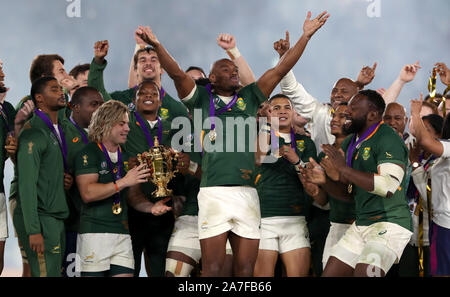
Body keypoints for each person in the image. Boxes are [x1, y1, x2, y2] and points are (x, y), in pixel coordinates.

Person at [136, 10, 330, 276]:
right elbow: (177, 74)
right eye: (226, 68)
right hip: (213, 194)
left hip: (247, 194)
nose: (234, 71)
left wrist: (305, 36)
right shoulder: (202, 100)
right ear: (212, 79)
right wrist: (157, 46)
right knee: (214, 269)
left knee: (245, 270)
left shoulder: (249, 97)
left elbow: (280, 69)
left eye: (235, 68)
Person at [303, 90, 413, 277]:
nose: (347, 113)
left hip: (389, 224)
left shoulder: (388, 138)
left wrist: (343, 169)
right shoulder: (350, 143)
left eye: (353, 109)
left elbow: (388, 187)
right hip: (361, 224)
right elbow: (348, 193)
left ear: (372, 115)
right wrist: (324, 182)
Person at [74, 100, 171, 277]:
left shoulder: (126, 158)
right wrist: (123, 182)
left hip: (122, 235)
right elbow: (87, 193)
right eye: (121, 124)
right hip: (94, 235)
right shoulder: (88, 153)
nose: (127, 128)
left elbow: (133, 197)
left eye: (127, 123)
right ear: (105, 124)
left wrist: (151, 208)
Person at [120, 80, 187, 277]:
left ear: (160, 102)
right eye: (143, 93)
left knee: (159, 267)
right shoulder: (126, 124)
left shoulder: (170, 127)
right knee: (128, 266)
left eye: (154, 94)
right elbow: (112, 149)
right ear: (135, 99)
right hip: (131, 208)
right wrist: (126, 163)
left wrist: (179, 192)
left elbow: (178, 164)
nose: (148, 96)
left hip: (162, 206)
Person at [13, 77, 73, 277]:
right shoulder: (33, 133)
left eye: (61, 88)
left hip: (55, 217)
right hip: (41, 220)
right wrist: (33, 230)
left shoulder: (56, 130)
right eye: (54, 89)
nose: (61, 92)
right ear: (39, 98)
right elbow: (27, 185)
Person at [253, 94, 316, 277]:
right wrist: (268, 124)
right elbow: (257, 157)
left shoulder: (306, 143)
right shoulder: (261, 137)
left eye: (286, 107)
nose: (282, 111)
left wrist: (297, 161)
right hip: (264, 219)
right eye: (276, 108)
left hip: (295, 219)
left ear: (293, 112)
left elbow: (312, 180)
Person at [301, 103, 356, 272]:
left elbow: (360, 190)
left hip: (358, 226)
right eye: (334, 115)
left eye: (342, 116)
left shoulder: (359, 150)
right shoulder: (323, 154)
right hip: (335, 224)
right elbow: (324, 200)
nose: (335, 119)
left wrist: (337, 176)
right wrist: (314, 190)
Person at [87, 37, 189, 122]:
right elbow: (96, 94)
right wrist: (98, 61)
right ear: (135, 69)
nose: (148, 63)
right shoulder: (120, 100)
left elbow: (186, 144)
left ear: (162, 69)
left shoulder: (177, 110)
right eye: (143, 60)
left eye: (153, 59)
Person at [60, 86, 104, 276]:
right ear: (76, 107)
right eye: (94, 104)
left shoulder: (106, 134)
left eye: (101, 105)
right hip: (73, 224)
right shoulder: (62, 132)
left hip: (101, 224)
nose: (99, 109)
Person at [410, 95, 450, 277]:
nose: (421, 134)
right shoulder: (441, 155)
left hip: (445, 225)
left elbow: (426, 141)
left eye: (427, 130)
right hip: (439, 223)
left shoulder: (447, 148)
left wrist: (415, 114)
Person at [406, 113, 443, 277]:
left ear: (438, 135)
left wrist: (415, 166)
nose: (421, 135)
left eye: (426, 130)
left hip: (430, 238)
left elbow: (431, 202)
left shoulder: (441, 163)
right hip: (408, 236)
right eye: (420, 130)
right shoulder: (414, 155)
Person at [0, 58, 18, 275]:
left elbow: (16, 144)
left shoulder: (7, 109)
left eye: (2, 69)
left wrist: (14, 147)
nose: (2, 74)